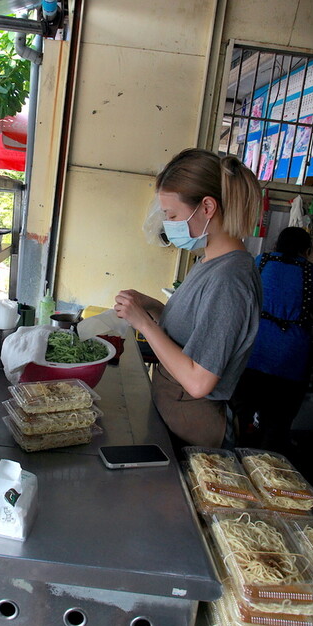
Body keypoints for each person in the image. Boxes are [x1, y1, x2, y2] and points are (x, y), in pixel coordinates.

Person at [114, 148, 262, 450]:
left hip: (197, 425)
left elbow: (198, 381)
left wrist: (144, 323)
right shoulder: (209, 261)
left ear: (207, 207)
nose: (169, 224)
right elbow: (198, 329)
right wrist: (152, 307)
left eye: (172, 216)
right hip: (174, 411)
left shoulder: (230, 278)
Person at [232, 226, 313, 455]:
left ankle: (231, 461)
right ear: (306, 249)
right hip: (290, 359)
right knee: (276, 424)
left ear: (277, 243)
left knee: (239, 417)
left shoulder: (261, 261)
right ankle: (267, 467)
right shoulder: (312, 273)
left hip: (254, 352)